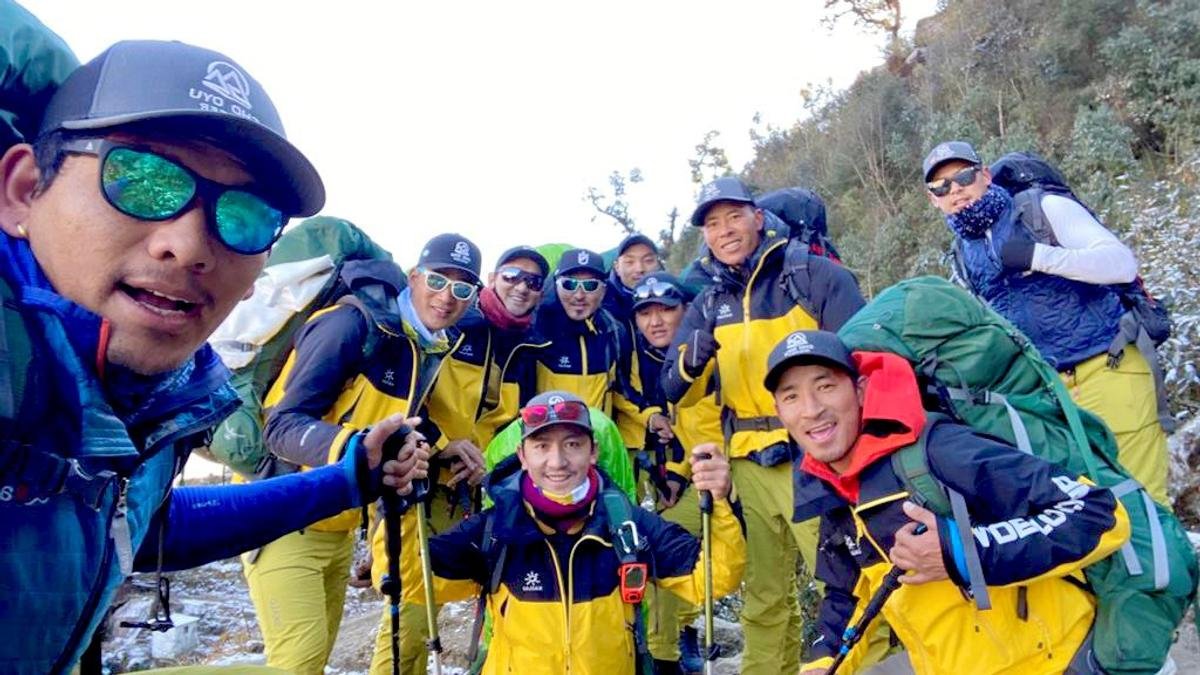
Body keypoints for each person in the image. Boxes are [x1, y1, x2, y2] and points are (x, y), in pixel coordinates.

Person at [0, 40, 428, 675]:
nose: (190, 245)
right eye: (142, 181)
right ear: (25, 191)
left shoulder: (157, 398)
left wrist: (348, 478)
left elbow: (134, 519)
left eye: (245, 215)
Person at [762, 330, 1131, 674]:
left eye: (825, 386)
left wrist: (963, 551)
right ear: (780, 413)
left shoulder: (939, 452)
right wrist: (820, 664)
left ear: (859, 391)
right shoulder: (833, 490)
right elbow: (846, 595)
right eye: (791, 396)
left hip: (1054, 662)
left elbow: (1098, 511)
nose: (810, 409)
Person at [660, 176, 870, 674]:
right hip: (747, 462)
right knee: (765, 593)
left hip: (816, 453)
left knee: (843, 583)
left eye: (734, 216)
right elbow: (671, 386)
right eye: (712, 223)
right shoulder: (709, 302)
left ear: (759, 217)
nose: (725, 230)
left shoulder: (811, 275)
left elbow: (862, 361)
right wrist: (691, 362)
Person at [421, 390, 746, 675]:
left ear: (593, 451)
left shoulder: (625, 525)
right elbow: (413, 580)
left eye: (572, 444)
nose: (557, 461)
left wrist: (722, 501)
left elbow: (713, 578)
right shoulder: (494, 529)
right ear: (522, 456)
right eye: (542, 446)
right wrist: (399, 508)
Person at [923, 140, 1170, 505]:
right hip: (1050, 395)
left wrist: (1038, 256)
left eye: (962, 175)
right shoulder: (962, 254)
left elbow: (1120, 264)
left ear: (985, 175)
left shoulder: (1041, 209)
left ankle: (1175, 563)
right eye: (940, 186)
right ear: (934, 200)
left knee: (1148, 501)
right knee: (1096, 510)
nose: (954, 189)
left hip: (1108, 366)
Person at [365, 242, 545, 675]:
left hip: (473, 487)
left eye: (534, 281)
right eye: (511, 276)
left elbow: (508, 422)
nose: (521, 286)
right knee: (410, 602)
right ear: (494, 280)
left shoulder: (527, 342)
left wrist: (493, 464)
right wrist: (444, 442)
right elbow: (409, 398)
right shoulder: (454, 325)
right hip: (423, 476)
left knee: (448, 597)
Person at [627, 272, 721, 674]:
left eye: (666, 309)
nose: (656, 321)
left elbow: (718, 426)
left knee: (665, 552)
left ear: (686, 310)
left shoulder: (704, 354)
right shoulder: (678, 359)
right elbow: (694, 430)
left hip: (734, 478)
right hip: (702, 474)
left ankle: (666, 656)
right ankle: (672, 647)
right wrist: (680, 473)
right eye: (645, 313)